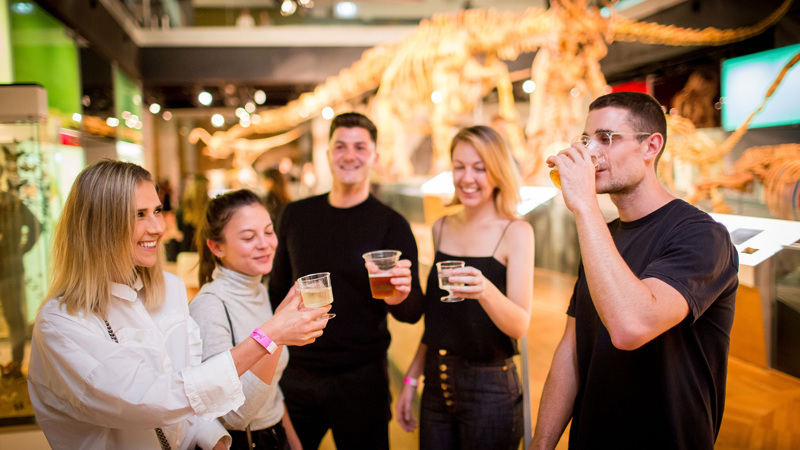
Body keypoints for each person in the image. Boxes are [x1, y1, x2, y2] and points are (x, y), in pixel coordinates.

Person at [27, 160, 330, 449]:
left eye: (157, 210)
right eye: (139, 214)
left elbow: (191, 392)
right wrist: (268, 337)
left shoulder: (169, 291)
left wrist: (215, 439)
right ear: (99, 227)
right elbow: (150, 399)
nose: (158, 226)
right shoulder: (61, 323)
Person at [530, 92, 738, 450]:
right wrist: (541, 443)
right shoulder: (603, 235)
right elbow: (572, 347)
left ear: (650, 146)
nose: (590, 151)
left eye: (606, 138)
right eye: (586, 139)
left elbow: (630, 327)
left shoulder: (702, 235)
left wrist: (584, 206)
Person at [268, 112, 424, 449]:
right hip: (298, 375)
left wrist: (398, 298)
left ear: (375, 157)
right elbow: (276, 293)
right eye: (340, 146)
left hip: (362, 379)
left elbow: (412, 312)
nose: (349, 155)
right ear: (328, 154)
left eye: (359, 147)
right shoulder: (295, 215)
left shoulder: (391, 224)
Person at [395, 125, 534, 449]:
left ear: (497, 170)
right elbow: (437, 322)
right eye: (459, 166)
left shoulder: (516, 232)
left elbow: (519, 325)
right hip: (436, 382)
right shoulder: (442, 226)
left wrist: (484, 290)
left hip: (491, 387)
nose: (467, 178)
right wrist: (411, 378)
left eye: (479, 167)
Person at [190, 189, 310, 450]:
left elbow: (272, 388)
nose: (265, 244)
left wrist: (293, 439)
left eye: (268, 232)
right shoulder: (209, 306)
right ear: (216, 246)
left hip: (276, 432)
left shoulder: (259, 290)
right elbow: (234, 415)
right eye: (248, 237)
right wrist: (276, 334)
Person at [0, 164, 41, 379]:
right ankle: (15, 363)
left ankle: (16, 364)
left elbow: (36, 225)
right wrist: (20, 251)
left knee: (14, 316)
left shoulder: (11, 202)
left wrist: (21, 250)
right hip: (12, 265)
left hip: (10, 267)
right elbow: (37, 225)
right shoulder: (12, 201)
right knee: (14, 315)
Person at [261, 167, 290, 234]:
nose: (263, 184)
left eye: (264, 180)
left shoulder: (268, 201)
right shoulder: (287, 200)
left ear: (270, 181)